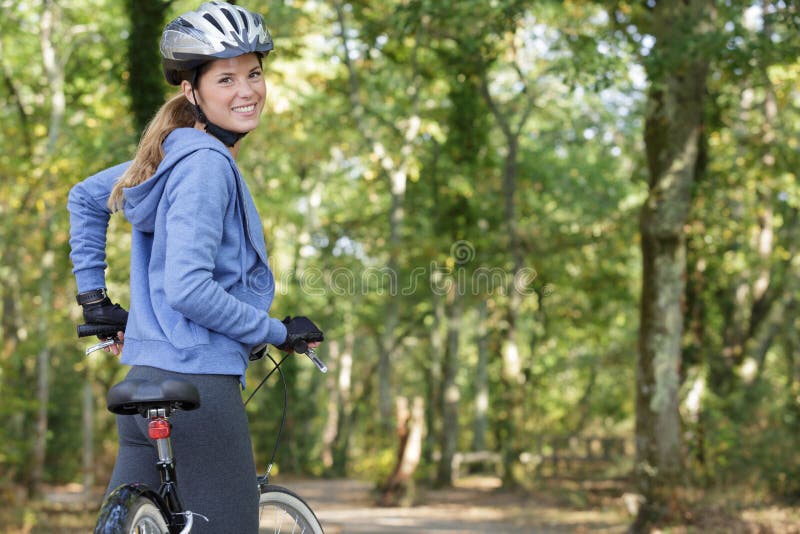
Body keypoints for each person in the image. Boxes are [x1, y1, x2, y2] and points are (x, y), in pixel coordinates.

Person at [67, 2, 322, 531]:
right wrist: (275, 330)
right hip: (199, 391)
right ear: (192, 91)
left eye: (253, 73)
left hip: (143, 384)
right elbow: (187, 288)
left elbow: (85, 197)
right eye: (225, 78)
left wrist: (94, 299)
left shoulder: (167, 155)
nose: (247, 90)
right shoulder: (206, 164)